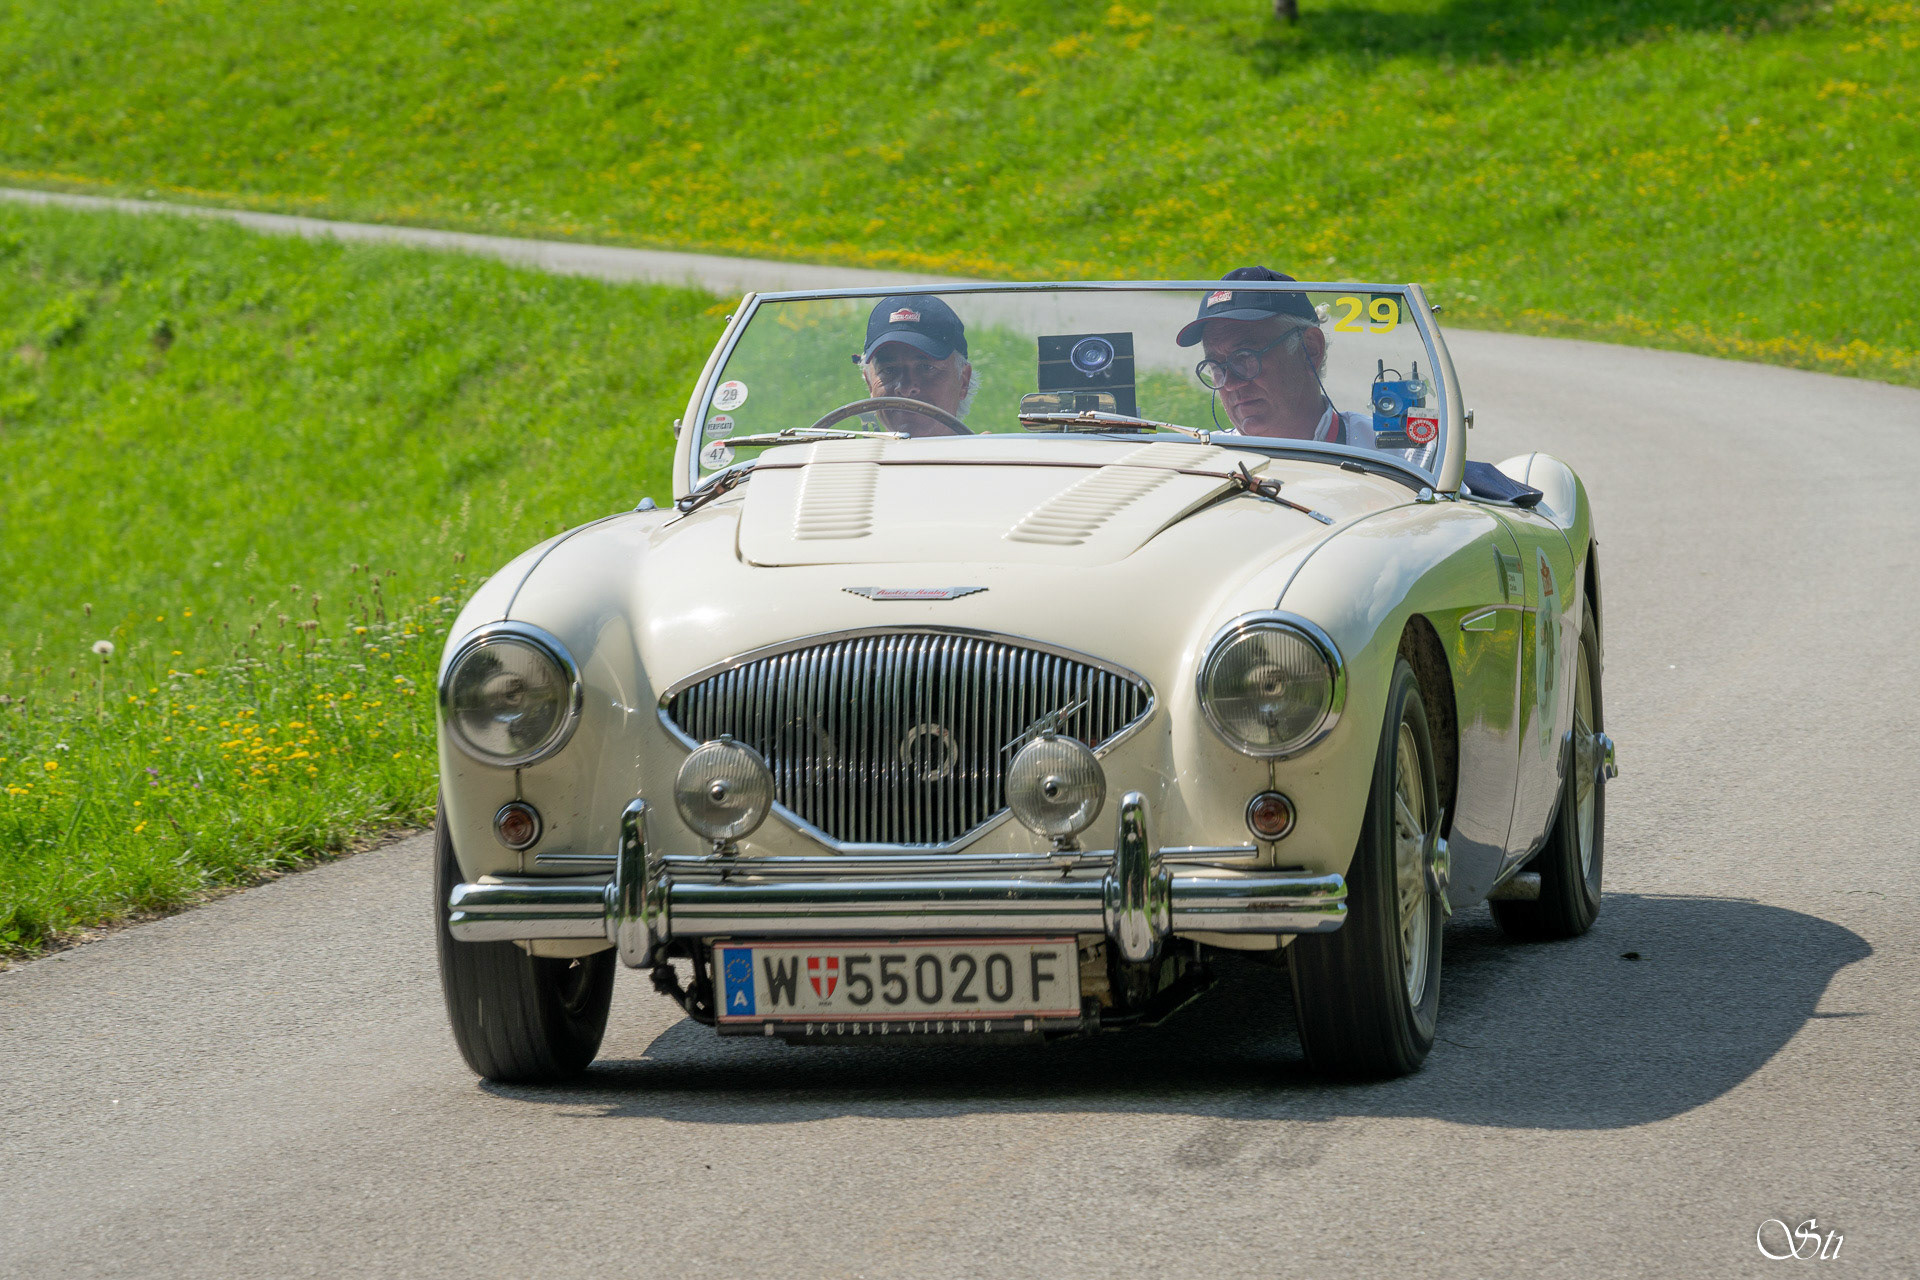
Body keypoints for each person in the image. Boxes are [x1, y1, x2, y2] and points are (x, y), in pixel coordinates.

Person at [1176, 266, 1373, 446]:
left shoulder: (1391, 457)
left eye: (1244, 357)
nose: (1230, 383)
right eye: (1216, 367)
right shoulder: (1202, 464)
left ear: (1310, 349)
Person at [855, 295, 975, 436]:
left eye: (926, 368)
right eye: (889, 370)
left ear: (963, 381)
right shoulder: (845, 457)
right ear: (870, 383)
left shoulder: (990, 456)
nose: (906, 388)